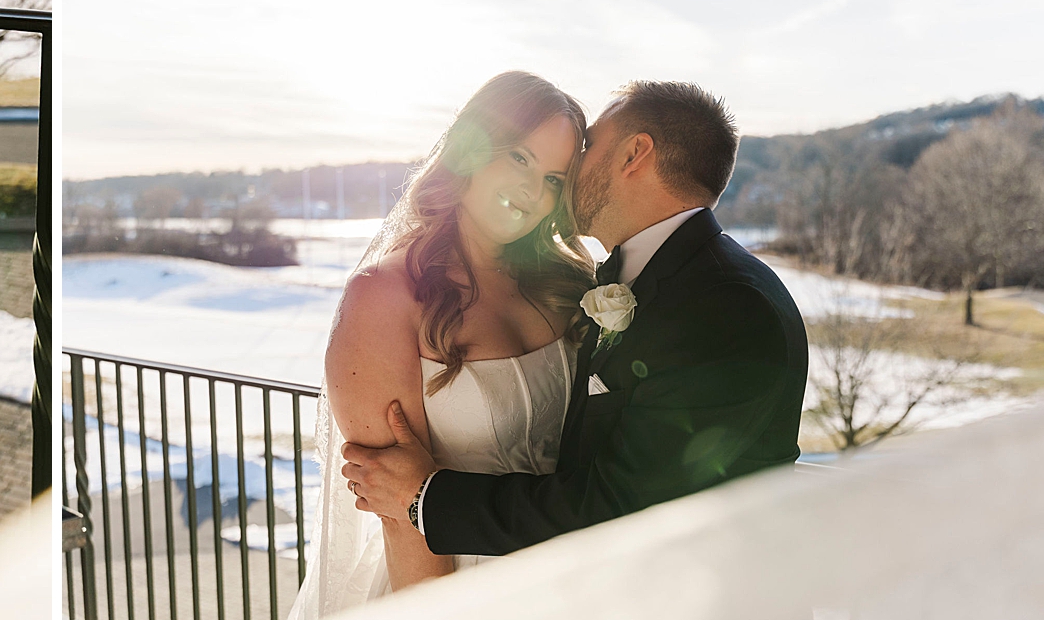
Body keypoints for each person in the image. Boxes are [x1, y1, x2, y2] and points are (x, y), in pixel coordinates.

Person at [341, 82, 809, 565]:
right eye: (522, 158)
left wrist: (427, 497)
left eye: (585, 150)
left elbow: (626, 506)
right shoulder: (626, 277)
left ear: (634, 154)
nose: (564, 180)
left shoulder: (725, 305)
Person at [283, 72, 595, 620]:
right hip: (448, 592)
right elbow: (398, 512)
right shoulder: (385, 297)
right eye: (520, 159)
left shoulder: (569, 282)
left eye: (552, 178)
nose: (532, 192)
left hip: (571, 582)